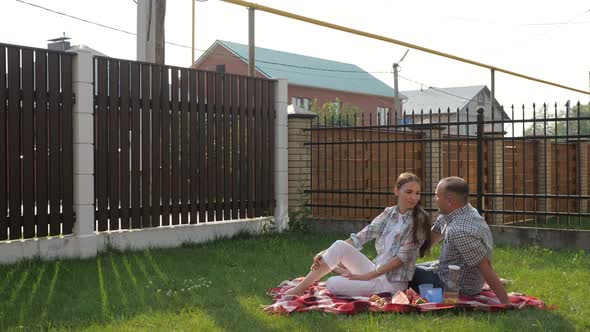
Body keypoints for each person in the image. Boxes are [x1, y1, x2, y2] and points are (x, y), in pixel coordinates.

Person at [284, 173, 432, 297]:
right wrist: (324, 252)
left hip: (391, 284)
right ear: (396, 191)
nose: (414, 197)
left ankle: (339, 270)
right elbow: (361, 237)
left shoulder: (419, 220)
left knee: (332, 283)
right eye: (409, 192)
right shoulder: (389, 213)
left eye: (417, 193)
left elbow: (399, 260)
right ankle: (300, 289)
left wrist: (365, 277)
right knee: (339, 245)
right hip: (374, 269)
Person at [408, 176, 511, 304]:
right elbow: (433, 235)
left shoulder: (460, 230)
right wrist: (405, 255)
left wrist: (506, 302)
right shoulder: (457, 211)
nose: (435, 200)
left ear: (450, 200)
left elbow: (485, 267)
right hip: (446, 269)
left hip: (456, 286)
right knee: (406, 267)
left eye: (437, 196)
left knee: (403, 274)